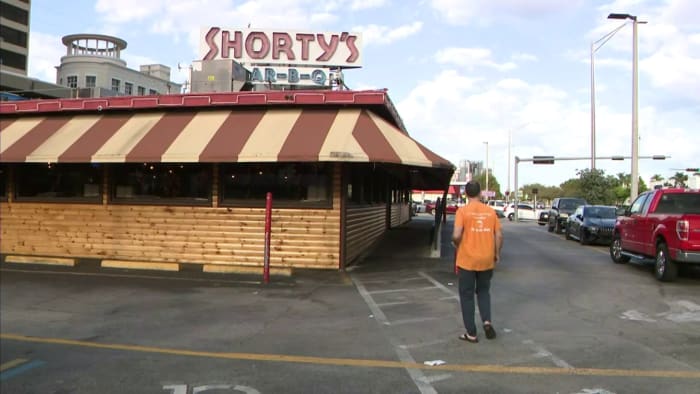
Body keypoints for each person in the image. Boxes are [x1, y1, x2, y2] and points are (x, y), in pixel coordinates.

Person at [451, 181, 503, 343]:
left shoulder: (462, 212)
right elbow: (499, 235)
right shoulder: (490, 212)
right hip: (486, 259)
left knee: (467, 295)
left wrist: (455, 242)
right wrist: (496, 253)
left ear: (466, 194)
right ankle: (487, 322)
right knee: (483, 291)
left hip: (467, 259)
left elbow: (457, 234)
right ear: (480, 193)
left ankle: (471, 333)